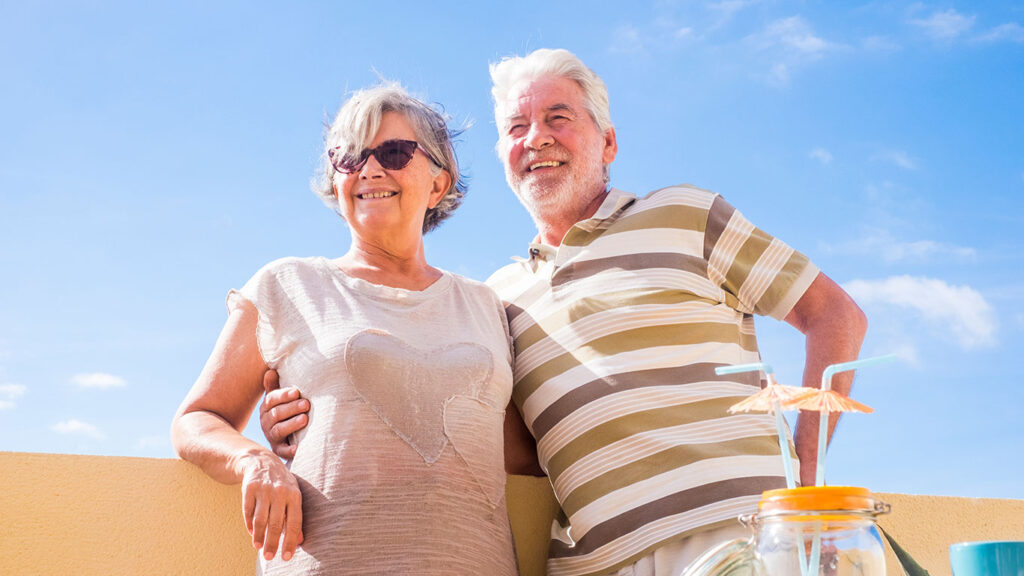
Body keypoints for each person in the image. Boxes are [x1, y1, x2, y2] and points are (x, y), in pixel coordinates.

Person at [262, 49, 867, 576]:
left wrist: (806, 473)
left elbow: (836, 315)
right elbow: (482, 438)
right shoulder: (494, 301)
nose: (536, 138)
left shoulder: (687, 215)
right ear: (503, 154)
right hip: (593, 562)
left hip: (736, 538)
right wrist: (320, 417)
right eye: (517, 126)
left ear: (607, 141)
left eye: (558, 118)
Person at [171, 84, 524, 575]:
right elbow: (196, 420)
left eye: (395, 153)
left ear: (439, 185)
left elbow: (514, 448)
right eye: (348, 156)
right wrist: (258, 460)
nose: (370, 169)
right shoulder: (286, 285)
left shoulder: (487, 306)